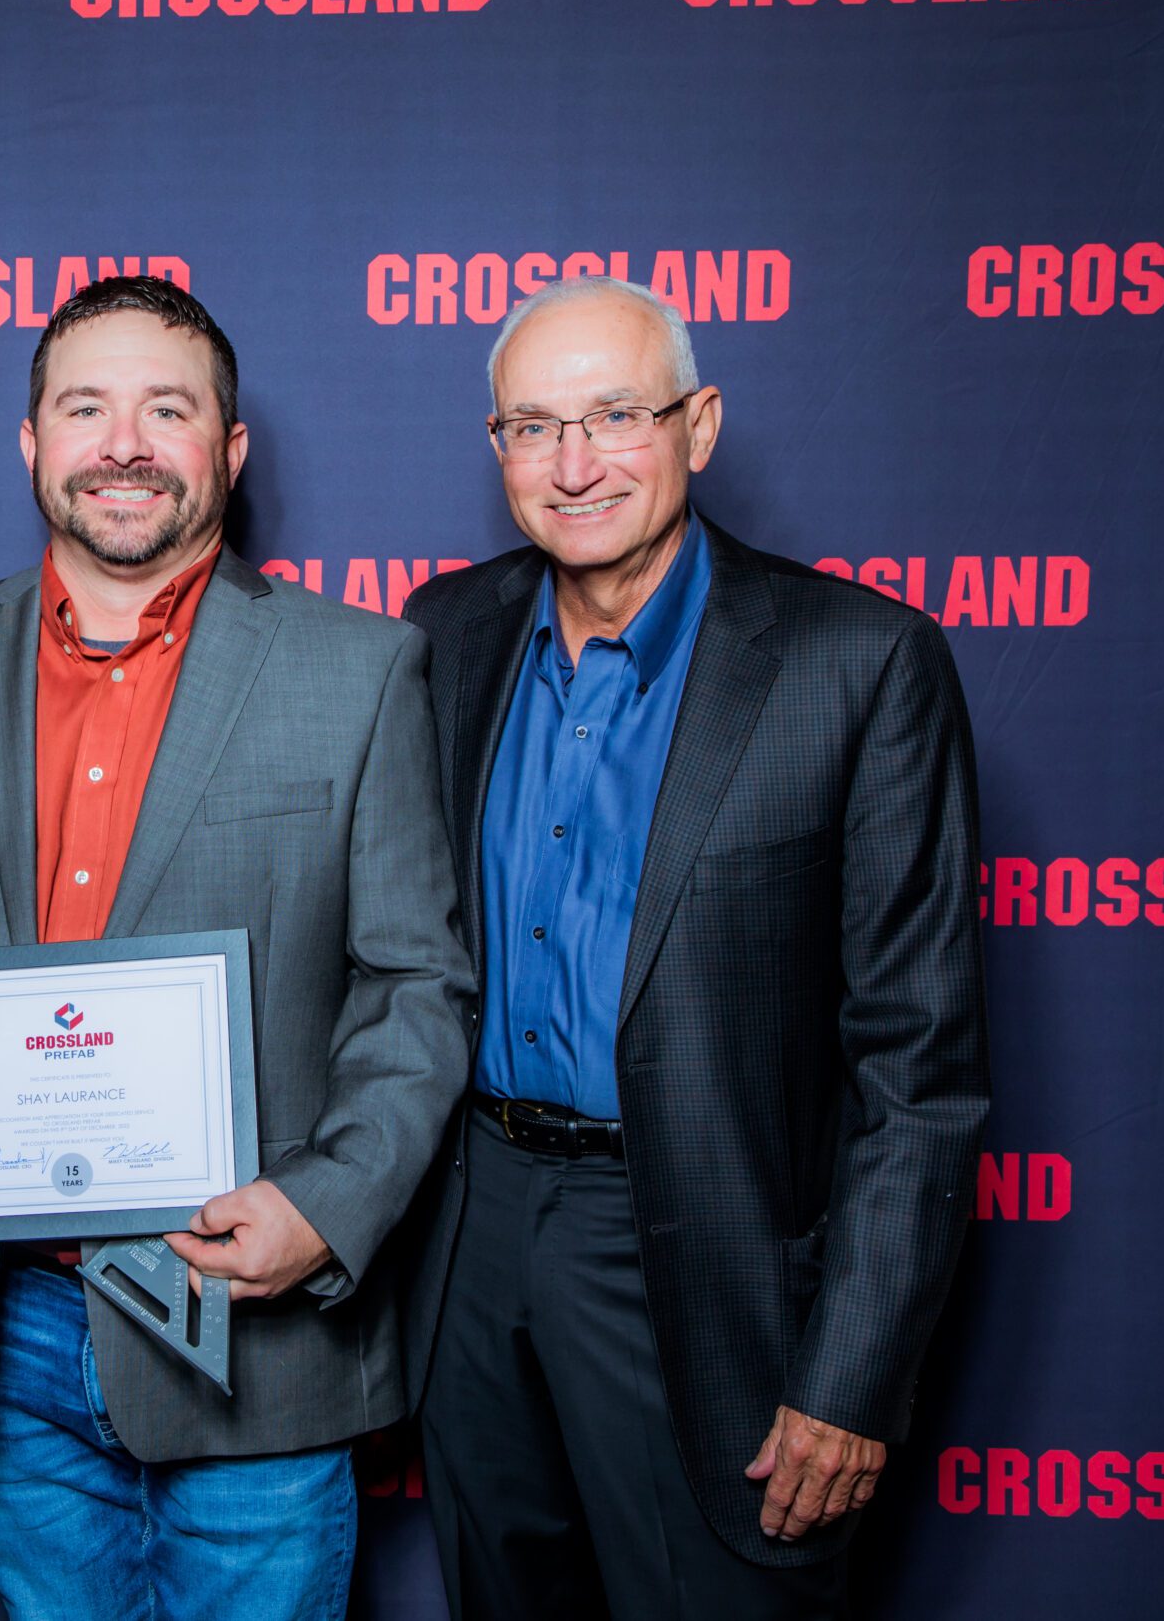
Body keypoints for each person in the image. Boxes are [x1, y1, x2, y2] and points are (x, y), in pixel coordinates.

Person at [0, 275, 472, 1620]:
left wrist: (327, 1210)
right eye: (85, 406)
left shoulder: (360, 670)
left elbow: (417, 988)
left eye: (169, 409)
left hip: (249, 1319)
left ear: (229, 450)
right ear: (31, 443)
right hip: (2, 1327)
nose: (125, 443)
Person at [398, 275, 991, 1620]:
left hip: (705, 1250)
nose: (574, 461)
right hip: (472, 1231)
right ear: (496, 449)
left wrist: (850, 1378)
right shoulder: (446, 634)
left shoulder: (861, 662)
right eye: (532, 427)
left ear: (700, 425)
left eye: (616, 414)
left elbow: (922, 1072)